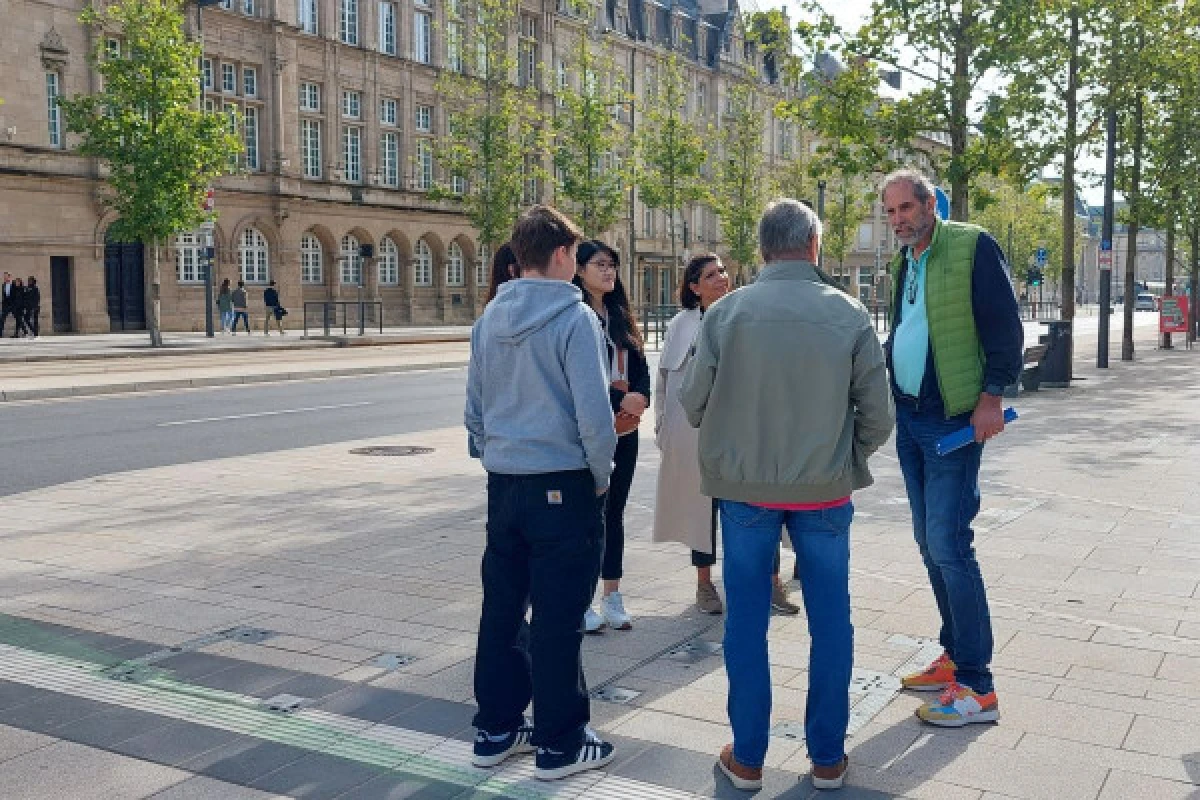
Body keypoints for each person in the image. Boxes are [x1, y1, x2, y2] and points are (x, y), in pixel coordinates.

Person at [680, 199, 893, 791]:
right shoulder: (849, 314)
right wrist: (844, 460)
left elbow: (692, 403)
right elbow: (878, 416)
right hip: (823, 492)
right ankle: (827, 757)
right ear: (815, 245)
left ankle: (747, 758)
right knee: (831, 621)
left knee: (745, 622)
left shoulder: (726, 315)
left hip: (745, 491)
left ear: (763, 250)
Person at [465, 205, 618, 781]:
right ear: (560, 255)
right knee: (559, 616)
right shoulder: (575, 319)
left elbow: (474, 409)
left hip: (504, 484)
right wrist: (598, 475)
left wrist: (495, 455)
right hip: (562, 482)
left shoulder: (488, 320)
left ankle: (495, 728)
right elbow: (593, 415)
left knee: (501, 609)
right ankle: (560, 743)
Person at [881, 169, 1023, 728]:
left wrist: (992, 397)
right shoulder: (905, 261)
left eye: (906, 208)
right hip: (912, 416)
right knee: (927, 541)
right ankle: (953, 656)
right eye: (890, 212)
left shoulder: (970, 245)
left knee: (949, 542)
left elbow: (1004, 327)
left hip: (954, 419)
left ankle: (978, 686)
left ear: (929, 203)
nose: (899, 220)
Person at [653, 254, 799, 617]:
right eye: (710, 275)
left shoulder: (746, 314)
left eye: (722, 272)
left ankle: (771, 580)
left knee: (763, 505)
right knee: (700, 512)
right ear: (694, 286)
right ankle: (704, 584)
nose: (721, 278)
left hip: (744, 431)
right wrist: (661, 427)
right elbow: (665, 381)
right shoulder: (681, 324)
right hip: (694, 433)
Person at [573, 241, 649, 634]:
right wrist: (623, 397)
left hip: (626, 428)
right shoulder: (575, 316)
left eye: (613, 265)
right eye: (599, 264)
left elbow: (640, 366)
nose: (609, 271)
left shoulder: (620, 316)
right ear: (579, 269)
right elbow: (584, 380)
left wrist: (639, 400)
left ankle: (613, 594)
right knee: (589, 515)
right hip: (591, 430)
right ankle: (583, 598)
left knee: (615, 512)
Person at [1, 273, 18, 337]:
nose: (5, 278)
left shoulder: (13, 285)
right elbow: (4, 295)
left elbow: (16, 295)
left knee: (18, 319)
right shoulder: (3, 285)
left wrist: (16, 304)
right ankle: (0, 334)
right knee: (2, 319)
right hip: (5, 305)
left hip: (13, 305)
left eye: (6, 277)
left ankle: (22, 332)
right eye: (4, 277)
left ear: (9, 277)